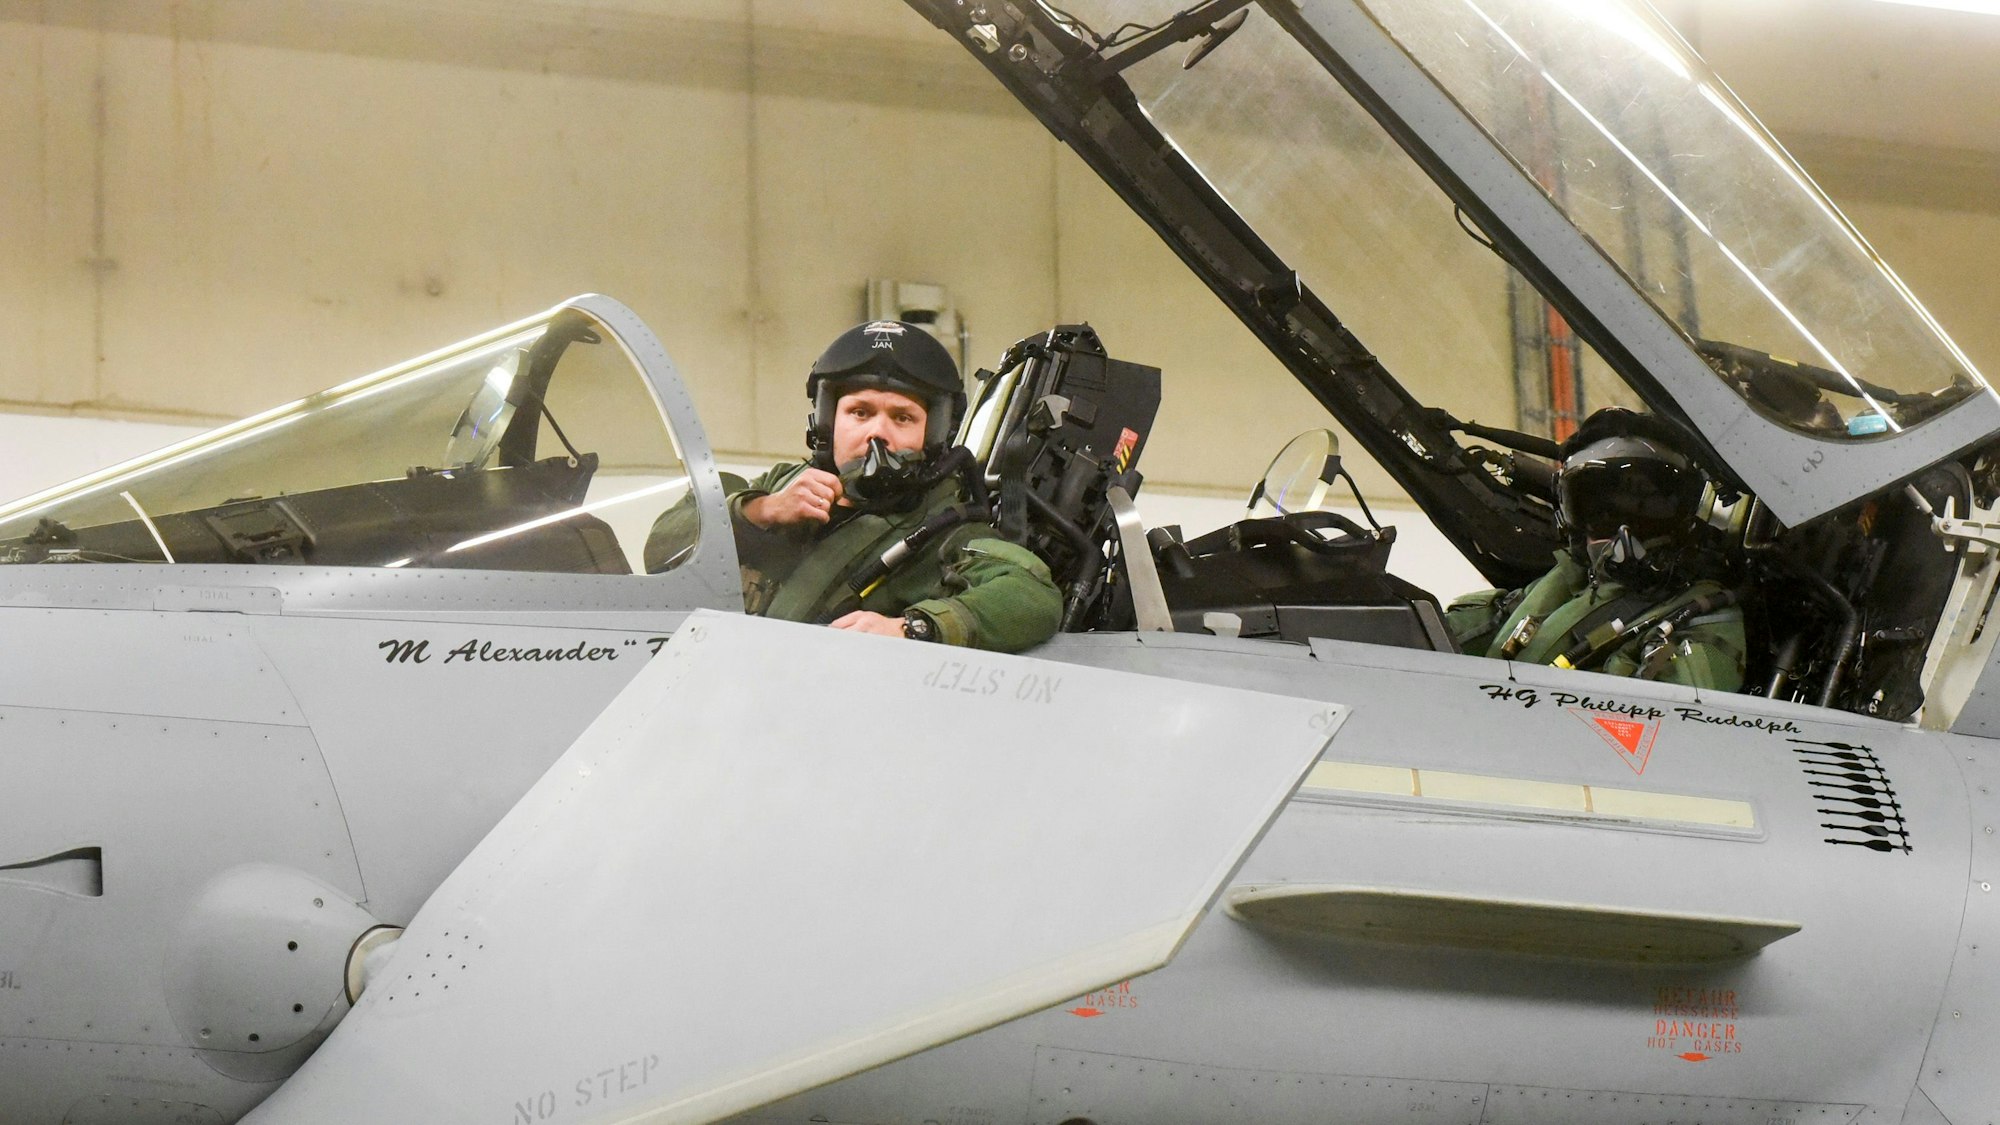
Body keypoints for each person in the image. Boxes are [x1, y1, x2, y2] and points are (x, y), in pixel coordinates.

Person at [645, 320, 1062, 652]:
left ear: (932, 436)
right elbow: (663, 547)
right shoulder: (778, 485)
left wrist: (910, 628)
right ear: (828, 422)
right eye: (860, 412)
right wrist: (761, 511)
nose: (878, 434)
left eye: (902, 418)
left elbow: (1033, 595)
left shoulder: (945, 529)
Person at [1445, 409, 1746, 691]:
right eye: (1604, 512)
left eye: (1646, 509)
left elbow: (1681, 715)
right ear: (1571, 516)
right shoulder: (1564, 585)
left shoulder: (1704, 613)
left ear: (1683, 514)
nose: (1624, 532)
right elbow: (1458, 632)